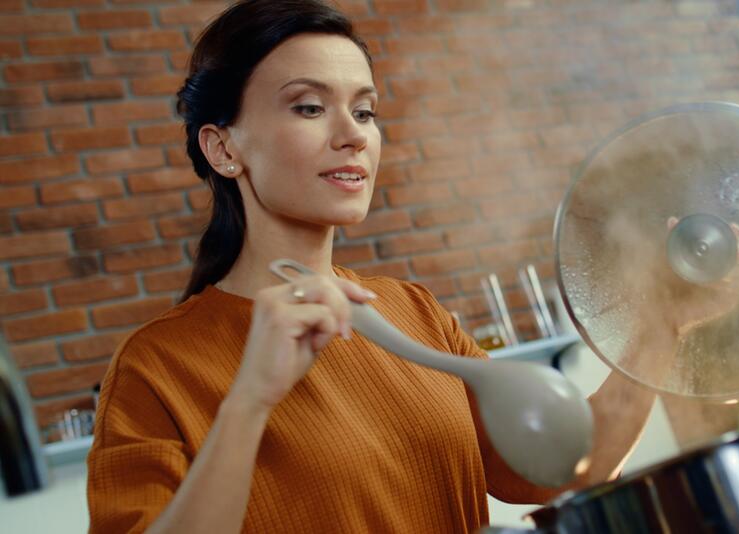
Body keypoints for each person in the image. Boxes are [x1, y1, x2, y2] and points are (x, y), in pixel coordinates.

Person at [85, 1, 660, 532]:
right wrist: (251, 401)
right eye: (309, 107)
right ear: (223, 148)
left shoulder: (414, 313)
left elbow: (562, 469)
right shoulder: (154, 370)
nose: (353, 135)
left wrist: (667, 321)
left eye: (364, 110)